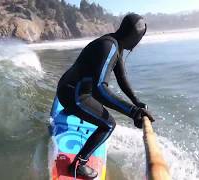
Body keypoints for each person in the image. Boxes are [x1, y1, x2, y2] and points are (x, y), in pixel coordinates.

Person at [56, 13, 155, 178]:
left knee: (100, 113)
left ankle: (74, 110)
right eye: (139, 38)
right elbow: (99, 90)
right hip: (73, 94)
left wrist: (136, 102)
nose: (139, 43)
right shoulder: (109, 47)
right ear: (134, 36)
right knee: (108, 124)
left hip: (71, 89)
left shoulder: (115, 44)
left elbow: (122, 78)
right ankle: (77, 165)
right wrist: (133, 112)